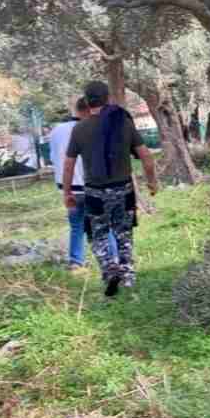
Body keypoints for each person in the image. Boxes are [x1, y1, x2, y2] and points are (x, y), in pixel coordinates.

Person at [63, 81, 159, 297]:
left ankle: (109, 269)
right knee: (123, 234)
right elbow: (146, 157)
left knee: (98, 235)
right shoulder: (123, 124)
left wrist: (67, 193)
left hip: (95, 193)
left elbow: (68, 164)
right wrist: (152, 182)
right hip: (124, 190)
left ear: (87, 102)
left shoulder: (80, 129)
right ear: (108, 98)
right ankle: (127, 278)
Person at [49, 96, 116, 272]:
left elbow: (54, 157)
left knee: (77, 226)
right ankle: (113, 261)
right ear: (89, 110)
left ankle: (75, 262)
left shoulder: (56, 131)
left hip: (69, 188)